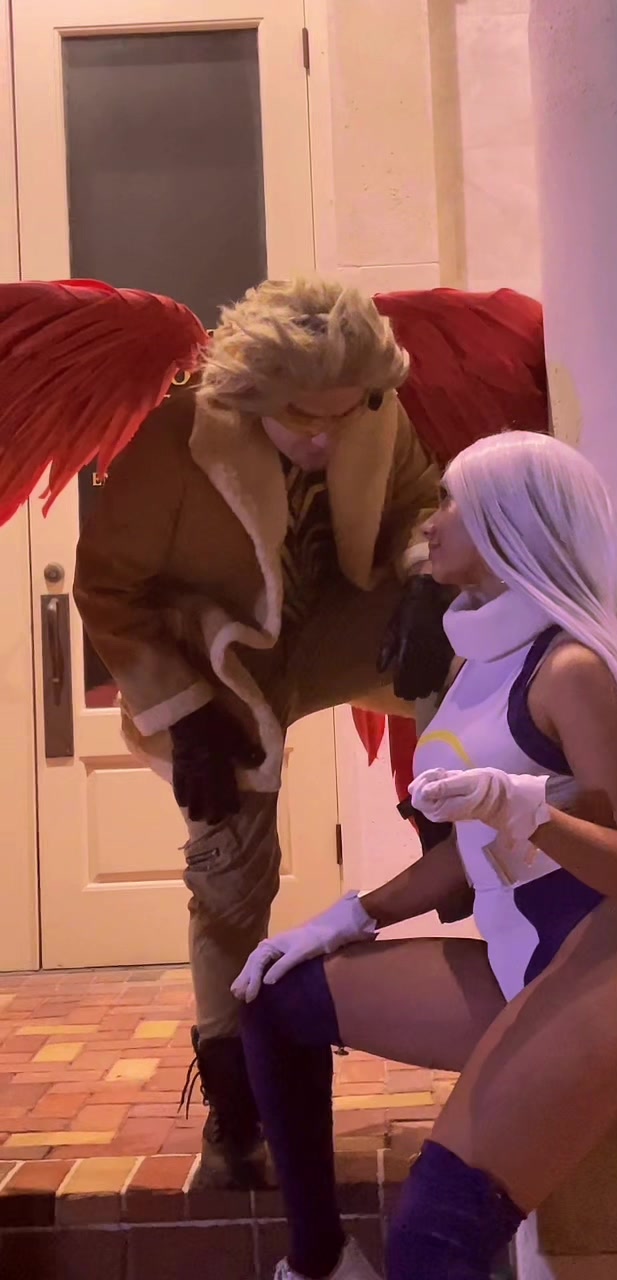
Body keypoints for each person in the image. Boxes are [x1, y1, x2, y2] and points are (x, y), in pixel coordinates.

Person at [232, 429, 617, 1280]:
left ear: (512, 521)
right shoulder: (484, 659)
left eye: (455, 500)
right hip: (519, 964)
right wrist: (349, 917)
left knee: (433, 1237)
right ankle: (321, 1264)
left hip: (603, 973)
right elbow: (472, 849)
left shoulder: (571, 668)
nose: (433, 520)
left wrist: (529, 815)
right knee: (279, 998)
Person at [71, 277, 453, 1187]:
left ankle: (449, 820)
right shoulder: (176, 440)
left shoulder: (374, 413)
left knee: (475, 630)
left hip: (336, 623)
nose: (325, 437)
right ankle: (235, 1115)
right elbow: (107, 587)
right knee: (231, 872)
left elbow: (417, 505)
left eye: (344, 412)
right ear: (250, 395)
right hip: (219, 660)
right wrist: (180, 709)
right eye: (301, 418)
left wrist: (425, 583)